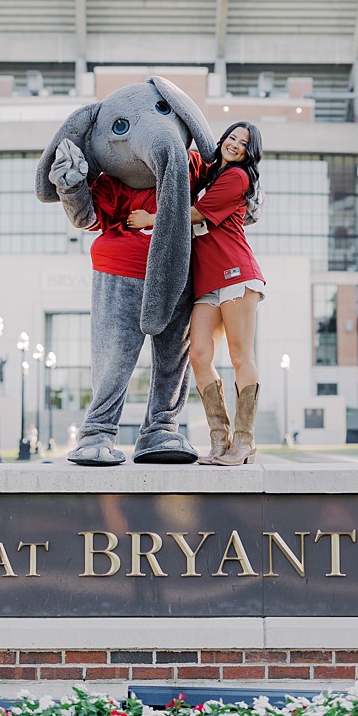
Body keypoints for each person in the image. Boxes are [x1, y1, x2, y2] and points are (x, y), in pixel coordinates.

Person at [132, 121, 264, 466]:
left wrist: (150, 219)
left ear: (250, 152)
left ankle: (245, 441)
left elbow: (194, 214)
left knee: (239, 356)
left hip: (236, 273)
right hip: (206, 281)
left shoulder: (237, 178)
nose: (235, 145)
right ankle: (220, 439)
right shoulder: (211, 177)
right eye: (232, 137)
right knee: (199, 355)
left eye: (243, 143)